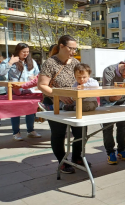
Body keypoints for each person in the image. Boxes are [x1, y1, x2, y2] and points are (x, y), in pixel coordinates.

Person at [38, 35, 84, 174]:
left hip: (74, 103)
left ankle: (76, 158)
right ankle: (62, 161)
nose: (73, 51)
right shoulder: (50, 63)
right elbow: (42, 85)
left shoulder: (76, 62)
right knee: (59, 134)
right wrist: (60, 96)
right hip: (55, 103)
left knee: (81, 131)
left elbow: (82, 80)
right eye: (71, 48)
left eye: (75, 49)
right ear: (61, 46)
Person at [101, 60, 125, 165]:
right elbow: (106, 91)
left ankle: (121, 150)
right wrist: (113, 97)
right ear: (124, 65)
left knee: (122, 126)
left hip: (122, 101)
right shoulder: (109, 71)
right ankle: (110, 152)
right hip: (108, 101)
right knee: (108, 127)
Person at [0, 43, 41, 141]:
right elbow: (1, 73)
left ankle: (30, 130)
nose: (26, 54)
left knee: (30, 110)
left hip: (29, 90)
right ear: (18, 51)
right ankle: (16, 132)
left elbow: (38, 74)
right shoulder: (9, 60)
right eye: (23, 52)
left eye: (27, 52)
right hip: (15, 91)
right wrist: (10, 62)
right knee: (15, 111)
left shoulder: (32, 62)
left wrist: (35, 77)